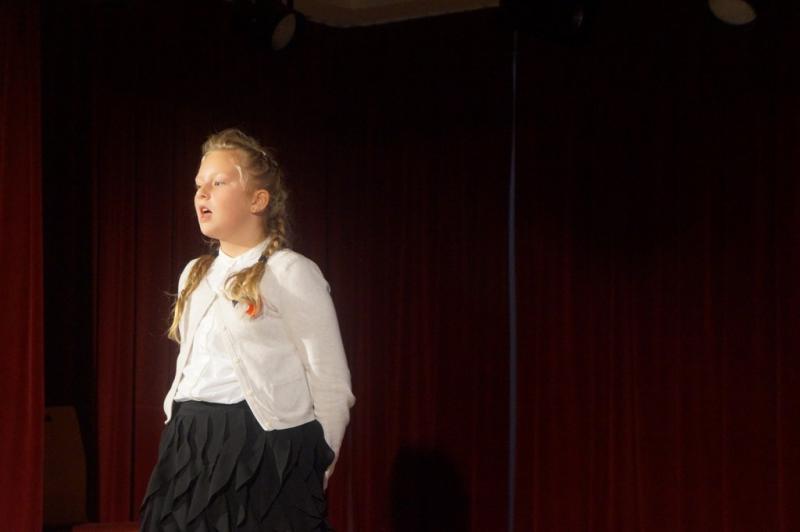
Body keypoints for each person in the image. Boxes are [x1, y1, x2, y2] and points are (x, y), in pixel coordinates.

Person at [139, 128, 356, 531]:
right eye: (199, 185)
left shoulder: (290, 272)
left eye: (218, 183)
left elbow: (330, 382)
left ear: (258, 200)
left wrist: (315, 464)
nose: (202, 194)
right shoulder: (194, 273)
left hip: (260, 445)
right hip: (191, 440)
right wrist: (176, 427)